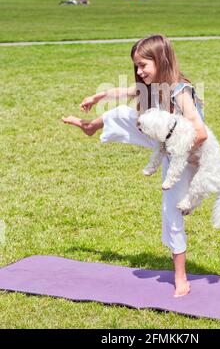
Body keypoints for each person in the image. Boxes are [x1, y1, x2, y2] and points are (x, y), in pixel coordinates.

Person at [62, 35, 207, 298]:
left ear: (161, 61)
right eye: (136, 66)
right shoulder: (152, 85)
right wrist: (99, 96)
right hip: (168, 144)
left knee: (171, 209)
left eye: (143, 65)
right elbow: (125, 93)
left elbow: (201, 133)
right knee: (122, 114)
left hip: (189, 156)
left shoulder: (180, 91)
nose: (139, 72)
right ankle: (91, 128)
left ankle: (181, 276)